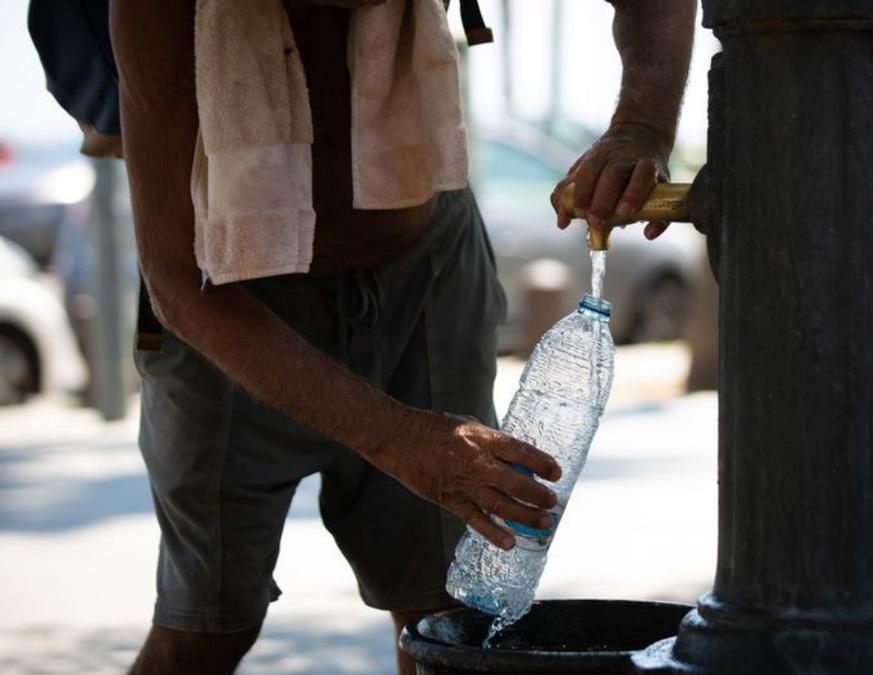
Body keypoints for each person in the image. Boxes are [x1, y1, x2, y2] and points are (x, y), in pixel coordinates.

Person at [106, 0, 696, 673]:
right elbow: (177, 284)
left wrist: (642, 126)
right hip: (232, 296)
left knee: (447, 618)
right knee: (204, 629)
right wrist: (399, 437)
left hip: (424, 265)